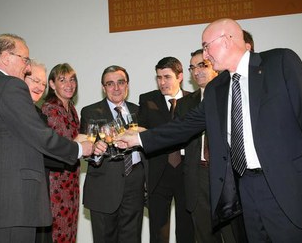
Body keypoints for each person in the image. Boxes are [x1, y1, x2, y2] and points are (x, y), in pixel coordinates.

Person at [114, 18, 302, 243]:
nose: (205, 55)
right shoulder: (217, 88)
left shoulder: (280, 63)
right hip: (245, 190)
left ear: (226, 40)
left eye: (206, 47)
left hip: (291, 190)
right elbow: (185, 125)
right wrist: (139, 139)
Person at [0, 33, 93, 242]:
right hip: (9, 207)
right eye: (25, 59)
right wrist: (80, 149)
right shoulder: (10, 85)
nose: (27, 66)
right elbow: (40, 136)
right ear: (6, 56)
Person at [174, 49, 247, 243]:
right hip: (197, 178)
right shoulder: (184, 104)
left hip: (227, 177)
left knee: (233, 236)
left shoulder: (233, 95)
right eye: (192, 67)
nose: (196, 71)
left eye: (202, 65)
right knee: (205, 236)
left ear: (214, 66)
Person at [80, 65, 147, 243]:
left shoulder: (139, 111)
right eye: (110, 84)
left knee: (132, 238)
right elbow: (88, 152)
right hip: (104, 186)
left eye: (120, 82)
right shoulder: (90, 112)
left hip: (135, 184)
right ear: (103, 88)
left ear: (127, 85)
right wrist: (96, 151)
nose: (116, 88)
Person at [138, 57, 194, 243]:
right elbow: (141, 132)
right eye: (159, 77)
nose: (162, 82)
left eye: (167, 77)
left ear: (180, 76)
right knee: (158, 230)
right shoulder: (147, 100)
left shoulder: (193, 100)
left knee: (187, 228)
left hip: (188, 171)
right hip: (159, 171)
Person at [41, 63, 81, 243]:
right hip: (56, 180)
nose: (69, 84)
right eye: (62, 80)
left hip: (72, 178)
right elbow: (54, 146)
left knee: (71, 228)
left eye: (72, 79)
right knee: (58, 231)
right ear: (52, 84)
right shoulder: (49, 109)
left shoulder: (71, 108)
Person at [24, 60, 52, 243]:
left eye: (43, 83)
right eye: (35, 80)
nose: (40, 87)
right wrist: (77, 149)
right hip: (20, 194)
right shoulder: (17, 110)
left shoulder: (39, 113)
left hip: (39, 191)